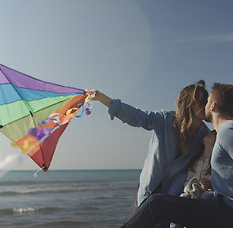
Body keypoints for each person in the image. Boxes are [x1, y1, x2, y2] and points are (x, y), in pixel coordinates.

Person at [120, 83, 233, 228]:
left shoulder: (228, 132)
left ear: (213, 106)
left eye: (207, 102)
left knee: (156, 203)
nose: (204, 105)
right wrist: (214, 183)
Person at [90, 80, 211, 211]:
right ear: (188, 103)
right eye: (201, 100)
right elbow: (136, 116)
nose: (205, 104)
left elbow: (205, 167)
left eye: (206, 99)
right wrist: (101, 97)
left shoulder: (205, 136)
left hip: (173, 196)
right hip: (149, 189)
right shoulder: (165, 119)